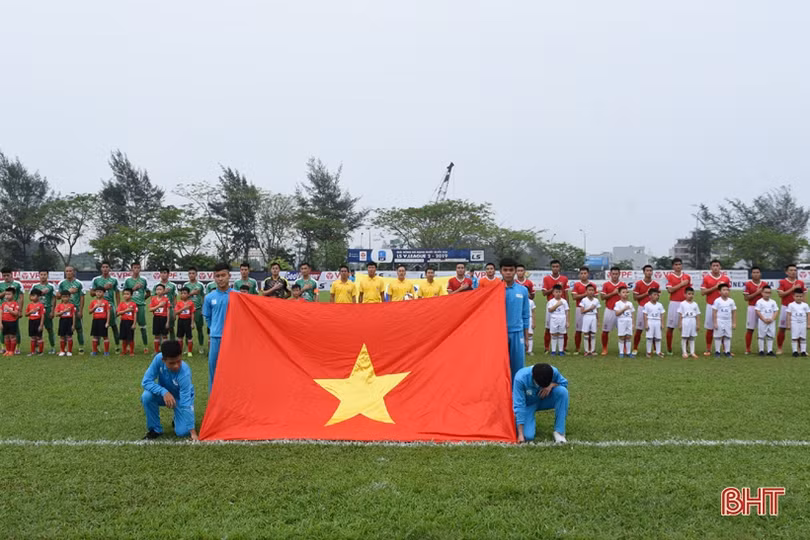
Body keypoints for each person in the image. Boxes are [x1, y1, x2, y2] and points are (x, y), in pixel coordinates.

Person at [141, 340, 198, 441]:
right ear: (163, 360)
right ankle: (155, 429)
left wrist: (192, 431)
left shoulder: (184, 372)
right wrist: (164, 392)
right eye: (172, 363)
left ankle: (177, 418)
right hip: (164, 396)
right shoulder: (158, 359)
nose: (176, 366)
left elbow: (186, 401)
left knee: (182, 432)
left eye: (179, 361)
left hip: (181, 398)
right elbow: (146, 381)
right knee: (146, 396)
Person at [512, 363, 568, 444]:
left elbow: (564, 383)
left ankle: (559, 432)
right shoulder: (520, 378)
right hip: (527, 405)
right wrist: (520, 434)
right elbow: (519, 406)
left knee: (562, 392)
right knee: (528, 436)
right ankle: (524, 427)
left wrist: (551, 385)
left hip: (545, 398)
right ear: (532, 376)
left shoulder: (553, 371)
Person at [203, 263, 232, 392]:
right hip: (216, 338)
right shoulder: (209, 297)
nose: (220, 278)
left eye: (223, 275)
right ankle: (213, 400)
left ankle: (230, 399)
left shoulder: (237, 296)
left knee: (232, 370)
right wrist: (215, 329)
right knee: (213, 369)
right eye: (217, 276)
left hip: (232, 339)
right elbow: (207, 317)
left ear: (229, 276)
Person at [500, 258, 530, 381]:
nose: (508, 273)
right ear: (500, 271)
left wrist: (527, 338)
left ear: (515, 271)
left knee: (518, 367)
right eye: (505, 270)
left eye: (511, 270)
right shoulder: (495, 290)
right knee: (500, 366)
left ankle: (516, 393)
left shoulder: (522, 290)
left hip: (517, 333)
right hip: (500, 334)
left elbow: (525, 315)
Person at [700, 260, 731, 356]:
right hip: (711, 305)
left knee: (724, 328)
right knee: (710, 328)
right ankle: (708, 348)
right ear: (710, 267)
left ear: (720, 267)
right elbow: (703, 292)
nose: (715, 267)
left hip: (723, 306)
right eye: (713, 266)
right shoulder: (706, 278)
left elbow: (728, 292)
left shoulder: (726, 279)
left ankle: (725, 349)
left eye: (717, 265)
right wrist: (716, 287)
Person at [92, 261, 121, 353]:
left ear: (109, 269)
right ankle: (98, 346)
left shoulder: (114, 280)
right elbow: (92, 293)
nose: (105, 269)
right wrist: (103, 288)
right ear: (101, 269)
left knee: (113, 326)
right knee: (100, 325)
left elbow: (117, 293)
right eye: (103, 267)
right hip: (99, 305)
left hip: (110, 305)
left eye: (107, 267)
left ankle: (117, 345)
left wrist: (119, 306)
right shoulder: (96, 280)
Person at [541, 260, 569, 353]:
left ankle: (563, 348)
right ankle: (547, 348)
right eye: (553, 266)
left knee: (563, 327)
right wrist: (555, 287)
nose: (555, 268)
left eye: (557, 266)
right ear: (551, 268)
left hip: (562, 306)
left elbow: (566, 293)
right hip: (551, 305)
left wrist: (567, 305)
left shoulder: (564, 278)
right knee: (548, 327)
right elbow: (544, 293)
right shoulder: (546, 279)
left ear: (560, 267)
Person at [665, 258, 692, 354]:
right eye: (676, 264)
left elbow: (690, 291)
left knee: (686, 327)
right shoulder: (670, 277)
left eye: (679, 264)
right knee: (670, 327)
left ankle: (686, 348)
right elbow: (670, 290)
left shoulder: (687, 277)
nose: (678, 266)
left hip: (685, 304)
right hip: (674, 303)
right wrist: (681, 284)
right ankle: (669, 349)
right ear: (673, 266)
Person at [777, 264, 805, 355]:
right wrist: (793, 288)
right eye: (791, 270)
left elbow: (803, 295)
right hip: (786, 307)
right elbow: (781, 295)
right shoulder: (782, 282)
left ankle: (801, 349)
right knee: (782, 328)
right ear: (786, 272)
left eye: (795, 270)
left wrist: (804, 305)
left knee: (800, 328)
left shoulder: (800, 282)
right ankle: (780, 348)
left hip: (798, 308)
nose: (793, 272)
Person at [124, 262, 151, 354]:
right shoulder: (127, 280)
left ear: (140, 269)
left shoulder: (143, 280)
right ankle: (128, 345)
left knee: (143, 326)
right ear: (131, 269)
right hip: (130, 306)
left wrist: (142, 300)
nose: (136, 269)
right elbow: (125, 293)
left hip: (141, 306)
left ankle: (145, 346)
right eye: (134, 267)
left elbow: (148, 292)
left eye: (138, 268)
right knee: (129, 326)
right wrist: (134, 288)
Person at [633, 265, 660, 355]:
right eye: (647, 270)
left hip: (653, 309)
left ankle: (655, 349)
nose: (649, 272)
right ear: (644, 272)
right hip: (642, 307)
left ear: (652, 272)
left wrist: (654, 297)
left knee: (653, 329)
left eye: (650, 270)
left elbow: (657, 298)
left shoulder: (656, 284)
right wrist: (646, 294)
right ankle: (635, 348)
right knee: (639, 329)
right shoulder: (639, 283)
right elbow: (635, 297)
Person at [58, 266, 85, 354]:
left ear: (74, 272)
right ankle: (64, 348)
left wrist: (81, 310)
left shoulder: (79, 283)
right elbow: (58, 296)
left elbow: (82, 297)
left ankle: (81, 347)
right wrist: (68, 291)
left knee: (78, 328)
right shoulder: (62, 283)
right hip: (64, 310)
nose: (69, 273)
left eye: (70, 271)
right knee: (65, 329)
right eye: (67, 271)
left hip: (75, 309)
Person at [601, 267, 627, 356]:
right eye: (613, 274)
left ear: (619, 274)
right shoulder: (606, 284)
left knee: (623, 331)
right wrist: (613, 293)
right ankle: (604, 348)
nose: (615, 275)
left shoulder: (623, 284)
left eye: (616, 274)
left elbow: (626, 296)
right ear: (610, 274)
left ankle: (624, 348)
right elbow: (602, 297)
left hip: (621, 311)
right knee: (605, 331)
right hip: (610, 310)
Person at [570, 267, 596, 354]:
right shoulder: (577, 285)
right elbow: (574, 297)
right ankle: (577, 348)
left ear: (588, 274)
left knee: (590, 330)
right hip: (579, 309)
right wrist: (585, 294)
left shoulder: (592, 285)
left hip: (591, 311)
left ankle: (590, 349)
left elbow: (595, 297)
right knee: (578, 329)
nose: (583, 275)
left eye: (585, 273)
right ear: (579, 274)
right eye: (581, 273)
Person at [31, 271, 56, 354]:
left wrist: (52, 311)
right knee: (37, 329)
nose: (43, 276)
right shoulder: (35, 286)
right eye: (41, 274)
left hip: (47, 309)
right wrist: (41, 293)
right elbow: (30, 297)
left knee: (49, 329)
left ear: (47, 275)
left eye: (45, 274)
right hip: (37, 310)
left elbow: (53, 298)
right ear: (39, 275)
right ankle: (37, 347)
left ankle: (52, 347)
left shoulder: (51, 286)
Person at [743, 267, 766, 355]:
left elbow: (767, 296)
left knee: (763, 329)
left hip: (763, 308)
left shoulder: (765, 284)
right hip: (752, 307)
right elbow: (746, 298)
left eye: (757, 272)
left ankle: (762, 348)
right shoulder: (748, 284)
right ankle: (748, 348)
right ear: (751, 274)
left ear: (760, 274)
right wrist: (758, 292)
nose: (756, 274)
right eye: (754, 272)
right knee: (750, 329)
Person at [0, 268, 24, 354]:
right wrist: (6, 291)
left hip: (14, 310)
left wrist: (20, 310)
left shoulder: (17, 284)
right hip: (3, 310)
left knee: (16, 329)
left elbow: (21, 297)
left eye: (8, 275)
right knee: (3, 329)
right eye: (4, 276)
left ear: (11, 275)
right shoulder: (0, 284)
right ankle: (4, 347)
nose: (6, 277)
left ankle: (17, 348)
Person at [183, 267, 206, 350]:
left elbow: (204, 297)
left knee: (199, 328)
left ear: (196, 274)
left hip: (198, 309)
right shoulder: (186, 285)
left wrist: (203, 309)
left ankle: (201, 346)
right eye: (190, 273)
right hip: (188, 310)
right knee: (187, 329)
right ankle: (188, 347)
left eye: (193, 273)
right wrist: (191, 293)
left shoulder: (200, 285)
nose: (191, 275)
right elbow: (183, 297)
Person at [152, 268, 178, 341]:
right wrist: (163, 292)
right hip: (159, 309)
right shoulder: (156, 285)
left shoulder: (172, 285)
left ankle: (173, 344)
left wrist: (175, 311)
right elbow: (153, 297)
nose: (163, 274)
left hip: (170, 308)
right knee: (160, 328)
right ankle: (161, 346)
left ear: (168, 274)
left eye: (165, 272)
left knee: (171, 327)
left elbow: (175, 298)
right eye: (162, 273)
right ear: (159, 274)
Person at [712, 283, 736, 357]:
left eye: (727, 290)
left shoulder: (731, 301)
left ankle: (727, 352)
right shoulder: (717, 301)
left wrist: (734, 323)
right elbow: (714, 312)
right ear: (719, 292)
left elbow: (734, 312)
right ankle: (717, 351)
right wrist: (715, 322)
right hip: (719, 320)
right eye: (724, 290)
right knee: (718, 336)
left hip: (728, 321)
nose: (726, 291)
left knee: (727, 336)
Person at [754, 286, 779, 356]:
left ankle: (769, 350)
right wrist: (764, 319)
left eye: (769, 293)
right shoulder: (759, 302)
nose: (767, 294)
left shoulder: (773, 302)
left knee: (770, 335)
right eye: (766, 292)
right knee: (761, 335)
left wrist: (772, 319)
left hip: (771, 321)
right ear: (762, 293)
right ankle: (761, 350)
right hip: (762, 321)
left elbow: (776, 311)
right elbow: (757, 311)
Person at [677, 287, 701, 358]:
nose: (691, 295)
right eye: (689, 294)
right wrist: (680, 324)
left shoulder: (695, 304)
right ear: (685, 295)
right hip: (685, 321)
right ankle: (684, 352)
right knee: (684, 337)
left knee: (692, 337)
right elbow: (680, 314)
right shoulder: (682, 304)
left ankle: (692, 352)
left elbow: (697, 315)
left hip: (692, 321)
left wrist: (698, 324)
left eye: (692, 294)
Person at [786, 288, 810, 357]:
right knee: (794, 337)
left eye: (800, 296)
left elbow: (808, 314)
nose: (799, 298)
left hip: (803, 323)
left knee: (803, 337)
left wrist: (808, 324)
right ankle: (795, 351)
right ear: (793, 296)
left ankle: (803, 351)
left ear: (802, 296)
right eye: (797, 296)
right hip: (794, 323)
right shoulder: (791, 305)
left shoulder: (805, 305)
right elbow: (788, 314)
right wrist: (788, 324)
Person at [88, 287, 111, 356]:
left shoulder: (106, 302)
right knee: (95, 336)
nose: (98, 293)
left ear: (103, 293)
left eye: (100, 292)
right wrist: (95, 307)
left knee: (105, 336)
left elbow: (108, 312)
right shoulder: (93, 302)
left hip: (103, 320)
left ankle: (106, 352)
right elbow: (89, 312)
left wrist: (107, 322)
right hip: (95, 320)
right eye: (97, 292)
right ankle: (94, 351)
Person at [546, 285, 569, 356]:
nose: (558, 293)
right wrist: (557, 305)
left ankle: (561, 350)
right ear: (553, 293)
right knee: (554, 334)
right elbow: (550, 310)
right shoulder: (551, 301)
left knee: (561, 334)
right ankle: (553, 351)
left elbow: (567, 311)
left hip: (562, 319)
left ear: (562, 292)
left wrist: (567, 321)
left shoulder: (564, 301)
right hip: (554, 319)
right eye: (556, 292)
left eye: (559, 292)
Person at [642, 288, 666, 358]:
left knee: (658, 338)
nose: (656, 296)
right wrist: (646, 324)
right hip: (650, 321)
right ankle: (648, 352)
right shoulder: (647, 305)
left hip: (657, 322)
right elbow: (645, 315)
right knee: (649, 337)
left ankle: (658, 352)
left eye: (657, 295)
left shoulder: (660, 305)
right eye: (654, 295)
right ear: (650, 296)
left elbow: (662, 314)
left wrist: (662, 323)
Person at [580, 284, 601, 356]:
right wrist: (590, 308)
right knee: (586, 333)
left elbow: (597, 311)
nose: (591, 292)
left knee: (593, 334)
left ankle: (592, 350)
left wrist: (598, 321)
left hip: (593, 317)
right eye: (589, 290)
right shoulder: (584, 300)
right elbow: (582, 311)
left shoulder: (596, 300)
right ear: (586, 291)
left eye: (592, 290)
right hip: (586, 317)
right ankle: (586, 350)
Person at [614, 286, 635, 358]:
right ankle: (621, 352)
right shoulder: (618, 303)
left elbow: (632, 313)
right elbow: (617, 313)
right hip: (621, 321)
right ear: (619, 294)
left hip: (629, 321)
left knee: (628, 336)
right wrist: (624, 309)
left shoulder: (630, 303)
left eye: (626, 292)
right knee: (622, 337)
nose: (625, 294)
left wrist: (633, 323)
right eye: (623, 292)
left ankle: (629, 352)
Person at [54, 290, 76, 356]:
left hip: (69, 321)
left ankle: (69, 351)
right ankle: (62, 351)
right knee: (62, 336)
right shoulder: (59, 305)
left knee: (69, 336)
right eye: (63, 297)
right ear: (61, 297)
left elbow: (74, 315)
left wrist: (73, 325)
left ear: (69, 297)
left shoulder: (72, 305)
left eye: (67, 297)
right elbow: (56, 314)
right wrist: (64, 311)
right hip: (62, 321)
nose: (65, 298)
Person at [149, 284, 170, 352]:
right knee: (156, 335)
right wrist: (159, 305)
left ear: (163, 291)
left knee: (164, 336)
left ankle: (164, 351)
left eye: (160, 289)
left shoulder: (166, 299)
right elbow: (150, 309)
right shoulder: (153, 299)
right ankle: (156, 351)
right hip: (156, 318)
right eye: (157, 289)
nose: (158, 291)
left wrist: (167, 321)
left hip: (164, 318)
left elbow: (168, 311)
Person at [175, 287, 196, 357]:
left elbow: (192, 313)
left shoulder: (191, 303)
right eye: (182, 293)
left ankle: (189, 351)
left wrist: (192, 323)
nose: (183, 295)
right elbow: (176, 312)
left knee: (189, 337)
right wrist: (184, 308)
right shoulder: (178, 303)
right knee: (180, 337)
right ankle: (179, 351)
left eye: (185, 293)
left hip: (188, 321)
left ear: (188, 294)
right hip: (180, 321)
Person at [117, 288, 137, 356]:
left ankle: (131, 351)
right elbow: (118, 313)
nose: (125, 295)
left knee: (131, 337)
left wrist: (134, 324)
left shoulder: (133, 304)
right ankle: (124, 351)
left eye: (127, 294)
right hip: (123, 322)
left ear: (131, 295)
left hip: (130, 322)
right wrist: (126, 310)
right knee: (123, 338)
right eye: (124, 294)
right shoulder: (121, 304)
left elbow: (135, 314)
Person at [25, 289, 45, 355]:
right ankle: (32, 351)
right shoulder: (29, 305)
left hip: (38, 321)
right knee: (33, 337)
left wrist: (41, 325)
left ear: (39, 297)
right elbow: (26, 314)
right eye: (31, 296)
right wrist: (31, 312)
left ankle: (41, 351)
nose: (32, 297)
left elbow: (42, 315)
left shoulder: (41, 305)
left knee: (39, 337)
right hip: (31, 321)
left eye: (34, 296)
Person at [1, 288, 20, 356]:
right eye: (6, 294)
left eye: (9, 294)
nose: (7, 296)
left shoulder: (15, 304)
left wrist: (9, 309)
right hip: (4, 322)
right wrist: (0, 323)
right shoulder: (3, 304)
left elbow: (16, 313)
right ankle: (7, 350)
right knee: (6, 336)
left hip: (12, 322)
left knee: (12, 336)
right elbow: (1, 313)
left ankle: (12, 351)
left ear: (13, 295)